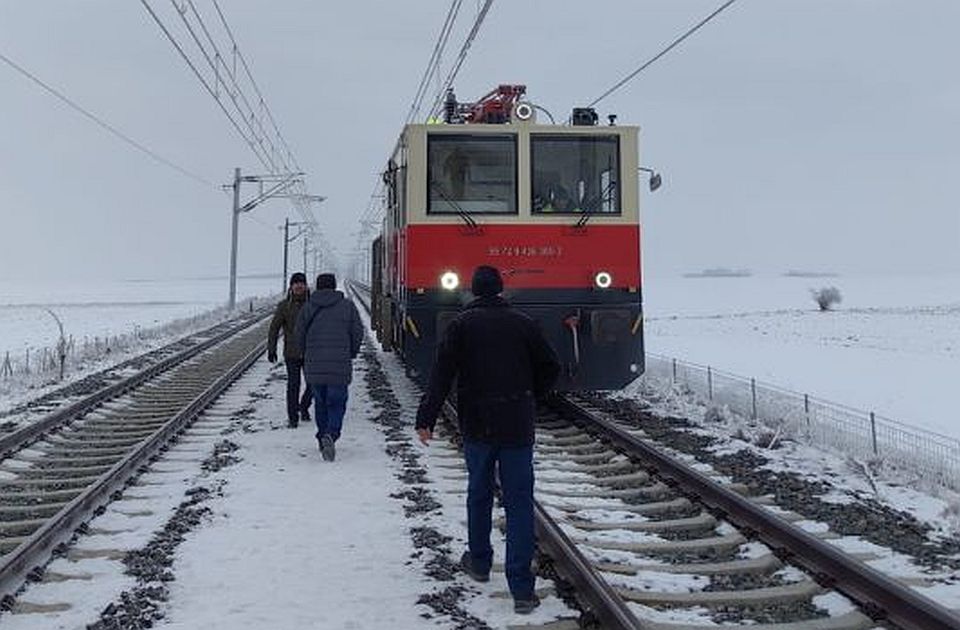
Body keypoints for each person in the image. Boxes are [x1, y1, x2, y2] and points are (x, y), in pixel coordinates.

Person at [415, 265, 560, 615]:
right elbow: (550, 366)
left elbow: (440, 375)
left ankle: (479, 561)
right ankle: (522, 590)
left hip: (478, 424)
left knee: (479, 493)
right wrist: (530, 395)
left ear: (474, 291)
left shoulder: (461, 326)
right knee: (520, 502)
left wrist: (426, 419)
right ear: (500, 290)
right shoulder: (524, 324)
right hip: (517, 425)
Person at [295, 273, 363, 461]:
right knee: (337, 402)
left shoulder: (308, 307)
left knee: (320, 402)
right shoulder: (348, 307)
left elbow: (298, 334)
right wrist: (351, 352)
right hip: (339, 364)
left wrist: (305, 354)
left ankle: (322, 437)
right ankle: (331, 435)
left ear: (317, 286)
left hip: (314, 365)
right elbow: (358, 332)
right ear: (334, 287)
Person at [267, 272, 313, 428]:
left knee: (313, 384)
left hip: (311, 352)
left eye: (302, 283)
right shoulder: (284, 306)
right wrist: (271, 349)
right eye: (296, 283)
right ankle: (293, 418)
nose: (299, 286)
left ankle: (304, 406)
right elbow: (274, 328)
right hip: (291, 352)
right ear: (291, 286)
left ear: (306, 286)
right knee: (293, 385)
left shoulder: (313, 304)